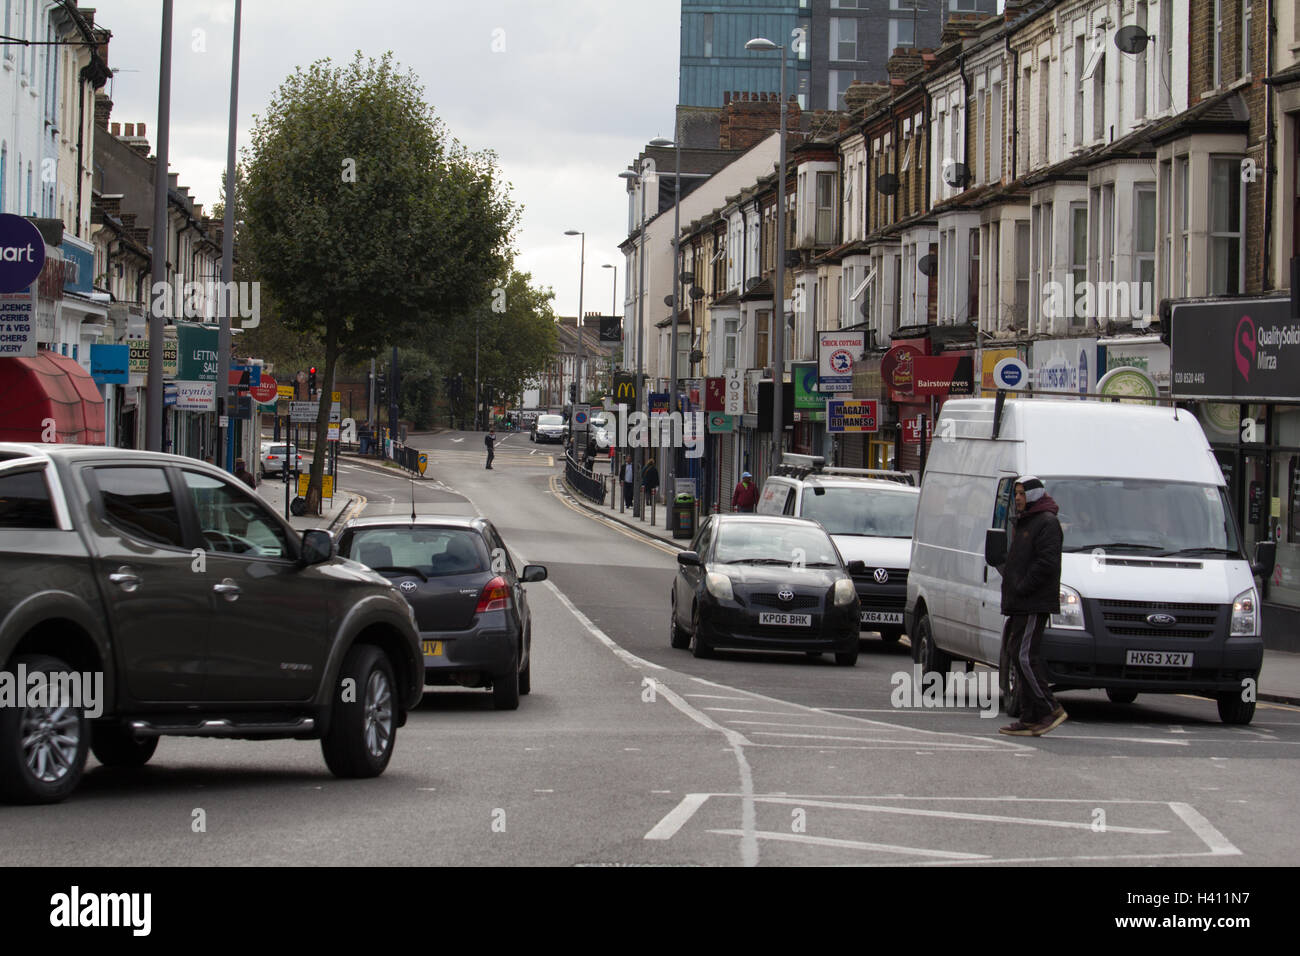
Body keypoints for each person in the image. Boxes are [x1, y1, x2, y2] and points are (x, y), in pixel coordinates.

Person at [996, 476, 1067, 737]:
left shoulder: (1047, 523)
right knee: (1016, 653)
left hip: (1033, 602)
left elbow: (1047, 563)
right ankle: (1029, 716)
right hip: (1019, 602)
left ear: (1034, 495)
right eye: (1016, 494)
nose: (1018, 498)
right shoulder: (1027, 521)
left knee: (1025, 656)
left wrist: (1023, 586)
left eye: (1022, 494)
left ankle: (1050, 709)